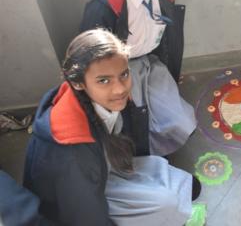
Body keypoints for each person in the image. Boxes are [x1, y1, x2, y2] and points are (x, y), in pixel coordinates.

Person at [23, 29, 201, 225]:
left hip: (101, 171)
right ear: (78, 82)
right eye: (103, 80)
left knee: (180, 190)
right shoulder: (72, 154)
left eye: (124, 74)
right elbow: (85, 216)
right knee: (169, 203)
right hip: (77, 202)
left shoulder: (85, 95)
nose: (120, 89)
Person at [80, 0, 196, 156]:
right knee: (133, 127)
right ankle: (144, 156)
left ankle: (160, 148)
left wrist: (170, 71)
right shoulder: (103, 8)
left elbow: (167, 40)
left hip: (150, 64)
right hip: (119, 70)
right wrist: (115, 83)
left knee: (178, 121)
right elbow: (91, 59)